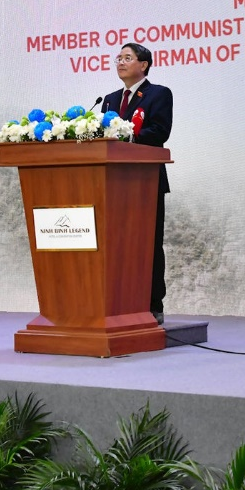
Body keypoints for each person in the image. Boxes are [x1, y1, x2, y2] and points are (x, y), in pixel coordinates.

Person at [102, 42, 173, 323]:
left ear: (143, 65)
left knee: (148, 243)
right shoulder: (109, 99)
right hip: (112, 183)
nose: (120, 62)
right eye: (118, 58)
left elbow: (159, 132)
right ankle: (120, 302)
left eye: (127, 58)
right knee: (117, 244)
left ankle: (153, 305)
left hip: (146, 181)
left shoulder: (158, 94)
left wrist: (126, 137)